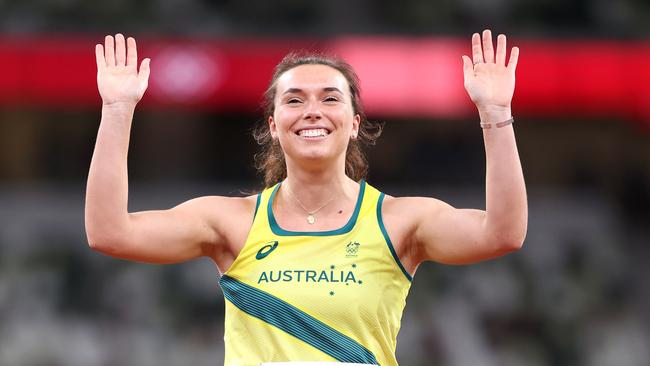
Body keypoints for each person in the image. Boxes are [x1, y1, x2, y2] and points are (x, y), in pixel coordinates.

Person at [85, 29, 527, 366]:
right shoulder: (233, 223)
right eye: (294, 100)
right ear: (275, 126)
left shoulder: (398, 222)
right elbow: (110, 232)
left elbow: (502, 233)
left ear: (354, 122)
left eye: (330, 98)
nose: (312, 110)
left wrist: (495, 112)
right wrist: (117, 110)